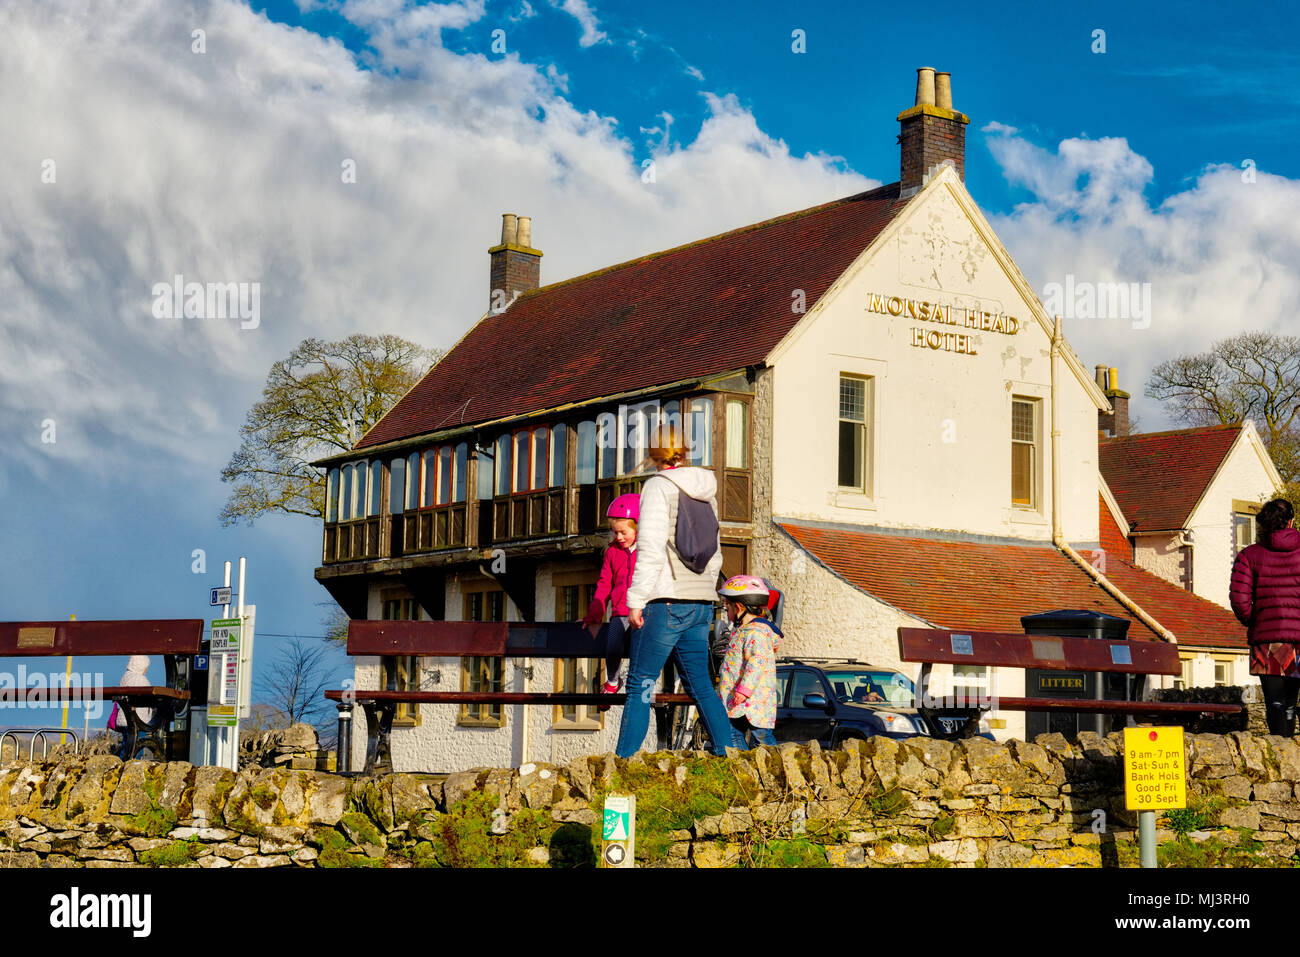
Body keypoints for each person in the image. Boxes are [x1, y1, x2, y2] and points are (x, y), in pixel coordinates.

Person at [616, 426, 737, 757]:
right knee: (702, 686)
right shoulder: (705, 491)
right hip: (700, 604)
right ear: (684, 451)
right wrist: (705, 590)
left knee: (640, 684)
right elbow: (714, 551)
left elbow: (651, 549)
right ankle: (729, 758)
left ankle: (622, 764)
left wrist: (636, 600)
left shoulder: (657, 487)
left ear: (653, 453)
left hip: (665, 602)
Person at [1230, 498, 1300, 736]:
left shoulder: (1249, 555)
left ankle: (1280, 754)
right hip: (1299, 640)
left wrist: (1256, 620)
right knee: (1291, 702)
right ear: (1291, 520)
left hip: (1266, 641)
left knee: (1274, 702)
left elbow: (1240, 599)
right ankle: (1290, 755)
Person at [583, 494, 639, 711]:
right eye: (615, 532)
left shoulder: (647, 551)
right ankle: (613, 682)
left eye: (623, 532)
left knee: (638, 650)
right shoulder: (613, 552)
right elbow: (604, 583)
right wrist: (595, 611)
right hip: (620, 612)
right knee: (613, 645)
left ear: (637, 528)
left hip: (642, 613)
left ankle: (635, 687)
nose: (619, 536)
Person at [715, 575, 783, 749]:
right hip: (736, 700)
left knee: (762, 738)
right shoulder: (743, 631)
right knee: (732, 735)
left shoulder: (757, 633)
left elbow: (756, 663)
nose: (726, 614)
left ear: (738, 607)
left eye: (727, 608)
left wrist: (744, 690)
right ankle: (746, 767)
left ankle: (774, 769)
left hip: (753, 700)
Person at [112, 655, 155, 760]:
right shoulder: (140, 679)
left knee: (126, 745)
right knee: (137, 746)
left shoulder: (126, 676)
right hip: (138, 719)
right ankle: (133, 765)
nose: (146, 669)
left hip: (125, 718)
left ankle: (122, 764)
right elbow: (148, 697)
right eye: (146, 667)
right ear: (141, 666)